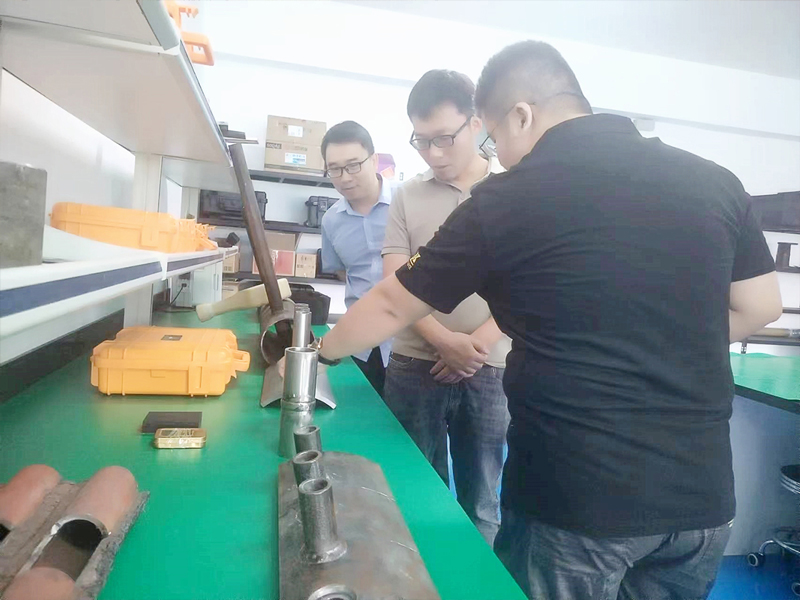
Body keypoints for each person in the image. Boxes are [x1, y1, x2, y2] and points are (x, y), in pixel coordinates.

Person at [290, 41, 783, 600]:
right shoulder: (716, 181)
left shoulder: (507, 198)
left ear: (521, 116)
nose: (498, 155)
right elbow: (759, 307)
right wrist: (664, 340)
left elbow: (390, 304)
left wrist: (314, 357)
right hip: (701, 502)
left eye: (494, 138)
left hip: (576, 500)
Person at [381, 70, 511, 546]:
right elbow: (395, 281)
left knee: (482, 499)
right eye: (421, 141)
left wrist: (474, 346)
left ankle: (475, 580)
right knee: (411, 492)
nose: (433, 153)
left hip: (490, 365)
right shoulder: (407, 195)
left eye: (443, 139)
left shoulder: (515, 191)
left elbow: (531, 284)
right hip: (415, 361)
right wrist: (443, 342)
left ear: (475, 123)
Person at [319, 121, 396, 396]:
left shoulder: (407, 201)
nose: (345, 177)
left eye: (353, 165)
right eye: (334, 169)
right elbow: (341, 271)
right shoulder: (331, 220)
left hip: (413, 343)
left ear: (374, 160)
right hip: (362, 345)